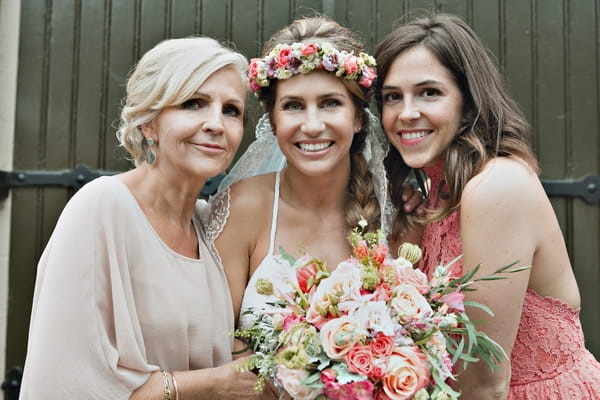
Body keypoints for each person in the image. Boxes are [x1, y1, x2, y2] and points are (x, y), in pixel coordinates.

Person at [20, 37, 270, 399]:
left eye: (230, 110)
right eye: (193, 103)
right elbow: (66, 382)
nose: (216, 123)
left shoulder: (212, 225)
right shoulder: (102, 207)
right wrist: (218, 382)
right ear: (149, 123)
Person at [375, 13, 600, 399]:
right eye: (392, 96)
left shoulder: (496, 186)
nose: (406, 112)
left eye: (429, 92)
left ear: (468, 103)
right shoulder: (438, 190)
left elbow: (485, 381)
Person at [209, 16, 422, 336]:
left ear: (358, 119)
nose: (311, 125)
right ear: (273, 120)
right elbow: (218, 345)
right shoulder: (243, 206)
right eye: (293, 106)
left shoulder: (400, 212)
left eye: (330, 103)